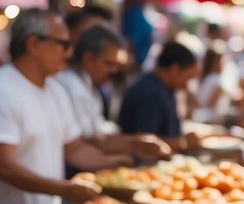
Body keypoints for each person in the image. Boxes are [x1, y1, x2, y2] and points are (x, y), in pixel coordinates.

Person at [0, 12, 114, 204]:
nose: (69, 53)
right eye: (63, 44)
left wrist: (117, 164)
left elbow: (74, 148)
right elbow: (5, 168)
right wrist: (64, 189)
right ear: (33, 44)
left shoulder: (55, 89)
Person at [55, 24, 172, 172]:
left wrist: (136, 143)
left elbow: (97, 138)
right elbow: (83, 143)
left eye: (116, 66)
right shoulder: (73, 87)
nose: (113, 71)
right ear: (89, 58)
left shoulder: (89, 88)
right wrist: (129, 148)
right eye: (109, 64)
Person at [117, 41, 201, 152]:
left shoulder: (165, 88)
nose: (187, 85)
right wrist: (183, 143)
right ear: (174, 69)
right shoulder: (151, 93)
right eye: (188, 77)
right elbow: (146, 143)